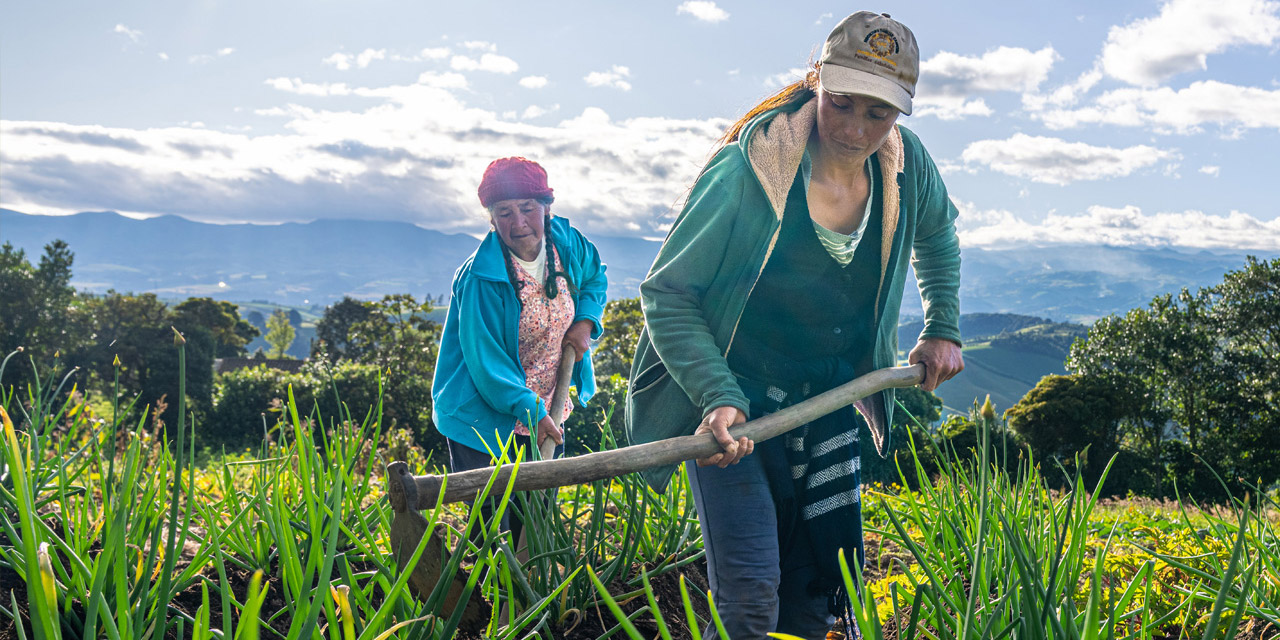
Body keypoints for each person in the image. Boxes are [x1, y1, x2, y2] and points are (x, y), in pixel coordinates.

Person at [626, 12, 964, 639]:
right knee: (752, 592)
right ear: (816, 81)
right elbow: (668, 293)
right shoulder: (748, 169)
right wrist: (717, 396)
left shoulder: (905, 166)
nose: (857, 129)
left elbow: (938, 233)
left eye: (879, 114)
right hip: (734, 405)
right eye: (842, 104)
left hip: (827, 400)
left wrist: (942, 324)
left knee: (816, 598)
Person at [432, 156, 607, 540]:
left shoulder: (567, 242)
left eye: (528, 209)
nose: (519, 223)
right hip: (482, 413)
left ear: (546, 208)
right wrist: (531, 412)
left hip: (546, 401)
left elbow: (595, 275)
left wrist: (586, 320)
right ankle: (495, 596)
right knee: (495, 527)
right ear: (491, 219)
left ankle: (531, 592)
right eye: (504, 212)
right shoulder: (482, 278)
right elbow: (487, 364)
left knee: (536, 516)